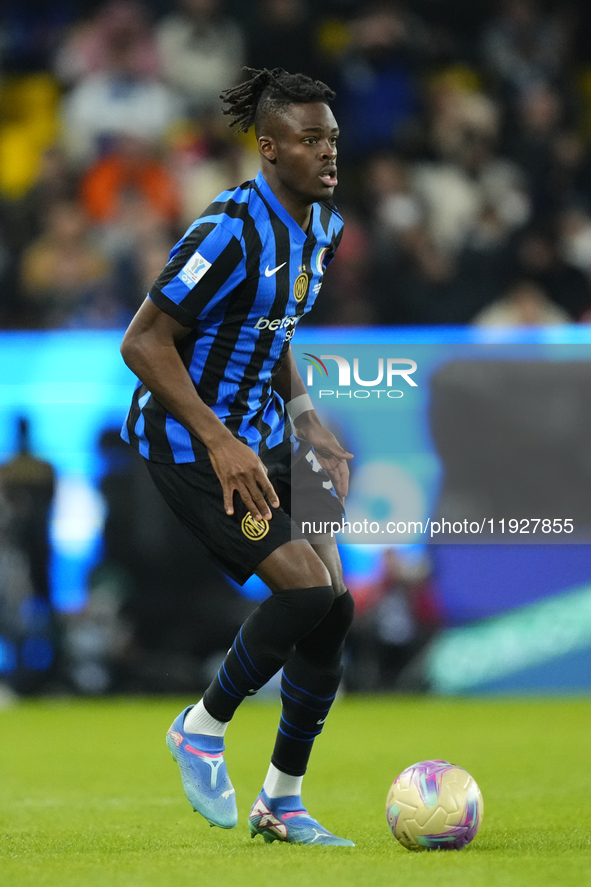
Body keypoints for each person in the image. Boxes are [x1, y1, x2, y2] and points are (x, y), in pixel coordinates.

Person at [119, 67, 355, 847]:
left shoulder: (323, 226)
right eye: (310, 139)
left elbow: (273, 329)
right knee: (301, 591)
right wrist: (220, 441)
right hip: (191, 443)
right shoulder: (227, 229)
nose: (328, 152)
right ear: (269, 148)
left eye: (331, 138)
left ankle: (280, 802)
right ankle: (200, 725)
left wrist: (308, 418)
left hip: (264, 432)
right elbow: (143, 341)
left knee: (334, 607)